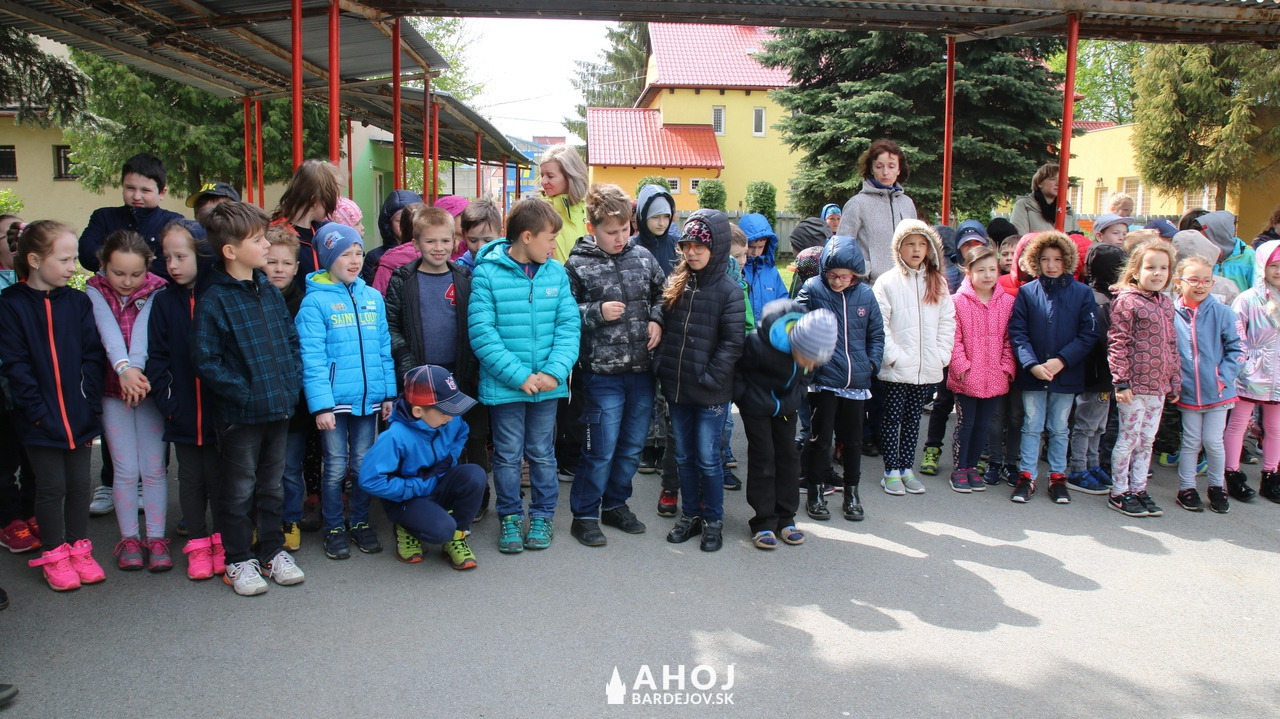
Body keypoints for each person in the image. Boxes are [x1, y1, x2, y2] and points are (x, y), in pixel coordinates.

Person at [192, 201, 305, 596]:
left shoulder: (268, 291)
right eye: (258, 241)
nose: (266, 247)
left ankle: (272, 551)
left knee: (272, 486)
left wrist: (289, 385)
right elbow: (206, 360)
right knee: (239, 489)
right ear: (230, 250)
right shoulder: (215, 300)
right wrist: (245, 393)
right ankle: (238, 559)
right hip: (240, 416)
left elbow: (291, 342)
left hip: (278, 408)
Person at [468, 198, 580, 553]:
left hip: (547, 386)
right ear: (527, 237)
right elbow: (482, 334)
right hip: (506, 387)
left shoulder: (556, 273)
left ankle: (543, 515)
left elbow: (569, 327)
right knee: (507, 455)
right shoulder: (487, 273)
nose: (554, 246)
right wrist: (519, 376)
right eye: (550, 238)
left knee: (542, 453)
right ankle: (510, 517)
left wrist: (554, 372)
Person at [0, 221, 107, 591]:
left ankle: (79, 549)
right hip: (38, 420)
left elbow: (92, 355)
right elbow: (16, 366)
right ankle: (54, 554)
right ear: (34, 260)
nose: (72, 267)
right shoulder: (10, 305)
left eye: (73, 259)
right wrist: (36, 413)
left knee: (79, 485)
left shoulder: (77, 302)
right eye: (64, 260)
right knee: (51, 487)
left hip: (79, 415)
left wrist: (90, 403)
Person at [564, 184, 665, 547]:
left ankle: (615, 504)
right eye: (611, 232)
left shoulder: (643, 257)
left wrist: (657, 320)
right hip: (601, 374)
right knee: (600, 449)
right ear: (592, 228)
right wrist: (595, 312)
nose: (621, 238)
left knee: (632, 446)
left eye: (625, 230)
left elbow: (663, 294)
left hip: (641, 372)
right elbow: (564, 313)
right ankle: (584, 514)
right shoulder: (577, 264)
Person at [384, 203, 488, 547]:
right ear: (416, 243)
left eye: (445, 240)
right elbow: (391, 326)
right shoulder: (403, 279)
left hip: (459, 376)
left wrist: (471, 370)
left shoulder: (464, 278)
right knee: (419, 441)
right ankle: (414, 506)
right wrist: (407, 364)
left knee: (464, 437)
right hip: (420, 378)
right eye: (430, 241)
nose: (439, 248)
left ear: (455, 241)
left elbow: (476, 325)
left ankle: (467, 501)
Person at [295, 222, 395, 560]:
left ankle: (361, 521)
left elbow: (383, 349)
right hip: (334, 404)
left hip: (369, 401)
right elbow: (312, 359)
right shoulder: (314, 303)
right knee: (336, 466)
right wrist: (321, 406)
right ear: (327, 259)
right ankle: (334, 526)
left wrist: (388, 394)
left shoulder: (373, 298)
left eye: (358, 253)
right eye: (345, 254)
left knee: (363, 465)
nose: (354, 261)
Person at [655, 210, 745, 552]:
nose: (691, 253)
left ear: (716, 247)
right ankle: (690, 514)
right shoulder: (678, 282)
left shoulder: (729, 291)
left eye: (699, 247)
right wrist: (663, 366)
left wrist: (709, 378)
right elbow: (661, 319)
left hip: (710, 394)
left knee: (708, 459)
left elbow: (732, 343)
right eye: (686, 246)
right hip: (678, 389)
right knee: (684, 457)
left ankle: (712, 520)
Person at [84, 229, 169, 572]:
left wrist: (134, 372)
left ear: (148, 266)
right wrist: (123, 370)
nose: (127, 282)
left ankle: (157, 538)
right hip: (112, 391)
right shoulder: (94, 289)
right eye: (118, 273)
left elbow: (145, 334)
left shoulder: (158, 288)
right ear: (103, 264)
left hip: (147, 389)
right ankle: (130, 539)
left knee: (154, 469)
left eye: (136, 274)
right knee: (125, 469)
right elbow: (107, 332)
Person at [147, 221, 224, 579]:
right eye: (167, 257)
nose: (173, 265)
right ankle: (198, 543)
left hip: (220, 413)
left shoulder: (219, 295)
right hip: (182, 414)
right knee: (190, 482)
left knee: (221, 480)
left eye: (180, 256)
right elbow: (157, 358)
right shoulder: (163, 302)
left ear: (202, 254)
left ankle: (222, 541)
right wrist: (169, 405)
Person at [359, 364, 485, 569]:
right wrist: (415, 487)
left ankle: (457, 536)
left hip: (437, 482)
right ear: (418, 411)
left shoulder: (450, 419)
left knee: (475, 475)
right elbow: (370, 480)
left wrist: (450, 458)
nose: (451, 417)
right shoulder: (394, 437)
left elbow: (462, 431)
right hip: (408, 497)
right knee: (442, 530)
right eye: (445, 410)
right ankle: (406, 527)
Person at [796, 234, 883, 521]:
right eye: (832, 275)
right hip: (823, 381)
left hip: (856, 382)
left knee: (853, 441)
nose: (837, 282)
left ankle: (852, 493)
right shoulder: (812, 288)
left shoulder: (866, 295)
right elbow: (796, 322)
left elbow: (876, 334)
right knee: (820, 439)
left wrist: (871, 364)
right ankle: (815, 491)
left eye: (844, 276)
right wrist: (810, 364)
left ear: (855, 274)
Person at [1008, 231, 1099, 504]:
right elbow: (1018, 332)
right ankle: (1027, 476)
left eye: (1057, 259)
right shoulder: (1027, 292)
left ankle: (1058, 476)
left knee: (1059, 428)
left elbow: (1089, 334)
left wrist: (1062, 360)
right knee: (1031, 426)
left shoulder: (1082, 293)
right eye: (1045, 259)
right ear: (1036, 261)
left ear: (1067, 260)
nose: (1051, 265)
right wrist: (1031, 364)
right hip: (1034, 374)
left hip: (1066, 373)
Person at [735, 301, 836, 549]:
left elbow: (806, 378)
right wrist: (745, 398)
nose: (810, 366)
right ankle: (763, 522)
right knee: (764, 458)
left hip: (786, 408)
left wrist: (795, 398)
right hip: (756, 406)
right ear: (796, 345)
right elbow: (738, 372)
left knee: (788, 458)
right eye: (808, 360)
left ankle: (786, 518)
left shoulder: (810, 354)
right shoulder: (758, 344)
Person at [872, 220, 955, 496]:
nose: (916, 249)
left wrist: (941, 355)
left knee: (913, 420)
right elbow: (880, 324)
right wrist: (893, 357)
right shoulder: (887, 282)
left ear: (929, 248)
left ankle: (907, 468)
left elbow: (947, 321)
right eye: (910, 244)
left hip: (926, 366)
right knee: (891, 418)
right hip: (897, 368)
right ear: (898, 248)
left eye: (921, 244)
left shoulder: (937, 282)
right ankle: (891, 471)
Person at [1106, 240, 1180, 517]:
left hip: (1157, 387)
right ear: (1136, 271)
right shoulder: (1128, 301)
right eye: (1151, 267)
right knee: (1128, 439)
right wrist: (1121, 381)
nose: (1158, 273)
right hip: (1134, 387)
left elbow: (1172, 344)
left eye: (1164, 268)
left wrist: (1174, 380)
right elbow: (1118, 342)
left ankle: (1138, 488)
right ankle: (1119, 491)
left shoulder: (1166, 303)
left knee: (1147, 440)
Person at [1172, 255, 1242, 513]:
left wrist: (1222, 378)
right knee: (1191, 441)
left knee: (1213, 441)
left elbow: (1238, 349)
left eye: (1206, 280)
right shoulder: (1171, 314)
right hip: (1188, 393)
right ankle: (1186, 488)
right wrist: (1175, 383)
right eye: (1193, 280)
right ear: (1179, 282)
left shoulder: (1223, 313)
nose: (1200, 286)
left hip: (1218, 393)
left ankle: (1217, 487)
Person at [946, 245, 1016, 493]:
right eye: (981, 270)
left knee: (984, 425)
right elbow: (953, 339)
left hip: (995, 376)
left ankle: (973, 466)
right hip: (967, 376)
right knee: (966, 423)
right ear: (968, 272)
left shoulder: (1007, 302)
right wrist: (962, 368)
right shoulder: (957, 302)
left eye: (992, 270)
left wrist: (1006, 367)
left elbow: (1009, 340)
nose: (987, 275)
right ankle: (959, 468)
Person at [921, 220, 988, 475]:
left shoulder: (987, 274)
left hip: (979, 352)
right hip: (951, 347)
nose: (972, 248)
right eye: (967, 244)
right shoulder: (947, 272)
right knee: (943, 401)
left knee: (975, 408)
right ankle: (932, 448)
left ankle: (973, 454)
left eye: (977, 243)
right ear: (958, 247)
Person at [264, 226, 312, 551]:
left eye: (285, 263)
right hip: (262, 402)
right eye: (272, 262)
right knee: (264, 469)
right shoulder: (254, 299)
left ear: (296, 267)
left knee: (290, 468)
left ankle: (291, 518)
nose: (278, 269)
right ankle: (264, 522)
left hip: (295, 405)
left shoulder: (304, 304)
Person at [79, 152, 202, 276]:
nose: (137, 196)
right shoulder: (104, 217)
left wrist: (112, 263)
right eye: (130, 188)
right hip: (107, 288)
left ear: (162, 193)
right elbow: (86, 254)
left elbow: (169, 265)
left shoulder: (173, 222)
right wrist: (147, 262)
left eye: (145, 190)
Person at [1066, 243, 1126, 495]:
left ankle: (1092, 464)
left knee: (1098, 425)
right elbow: (1105, 341)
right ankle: (1078, 469)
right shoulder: (1100, 302)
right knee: (1086, 424)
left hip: (1103, 376)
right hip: (1096, 374)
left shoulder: (1106, 298)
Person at [1223, 238, 1280, 503]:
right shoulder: (1247, 299)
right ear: (1262, 266)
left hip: (1277, 374)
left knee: (1275, 426)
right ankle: (1231, 473)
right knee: (1238, 424)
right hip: (1250, 372)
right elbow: (1235, 336)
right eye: (1274, 265)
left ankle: (1271, 475)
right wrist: (1242, 365)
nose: (1278, 271)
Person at [835, 139, 917, 283]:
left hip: (905, 284)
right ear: (871, 169)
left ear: (899, 169)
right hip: (869, 286)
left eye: (891, 166)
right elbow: (841, 248)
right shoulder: (857, 204)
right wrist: (866, 270)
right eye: (879, 166)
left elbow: (916, 242)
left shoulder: (907, 203)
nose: (885, 172)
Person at [270, 159, 341, 292]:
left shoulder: (326, 232)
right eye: (329, 201)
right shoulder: (275, 234)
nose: (332, 208)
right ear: (314, 201)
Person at [539, 144, 589, 264]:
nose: (543, 181)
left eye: (550, 176)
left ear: (570, 177)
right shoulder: (538, 213)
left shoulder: (592, 209)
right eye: (542, 175)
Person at [363, 190, 423, 286]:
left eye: (410, 221)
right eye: (399, 221)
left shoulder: (431, 252)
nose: (404, 225)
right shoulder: (374, 256)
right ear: (388, 223)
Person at [739, 213, 789, 322]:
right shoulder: (737, 269)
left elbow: (783, 300)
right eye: (751, 247)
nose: (755, 252)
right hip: (742, 330)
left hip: (766, 329)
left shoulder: (771, 271)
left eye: (760, 247)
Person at [1009, 163, 1082, 235]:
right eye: (1053, 179)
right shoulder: (1024, 205)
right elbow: (1019, 238)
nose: (1058, 183)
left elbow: (1077, 237)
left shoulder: (1066, 207)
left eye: (1061, 179)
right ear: (1040, 183)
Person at [1196, 210, 1254, 294]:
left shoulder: (1248, 256)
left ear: (1218, 234)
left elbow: (1258, 290)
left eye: (1206, 235)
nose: (1201, 239)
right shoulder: (1199, 255)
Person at [634, 183, 680, 276]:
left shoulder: (678, 247)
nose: (662, 223)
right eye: (655, 217)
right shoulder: (630, 247)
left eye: (666, 216)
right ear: (643, 217)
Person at [456, 198, 502, 274]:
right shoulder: (459, 269)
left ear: (499, 237)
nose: (480, 247)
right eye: (473, 240)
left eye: (487, 241)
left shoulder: (507, 266)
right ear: (463, 235)